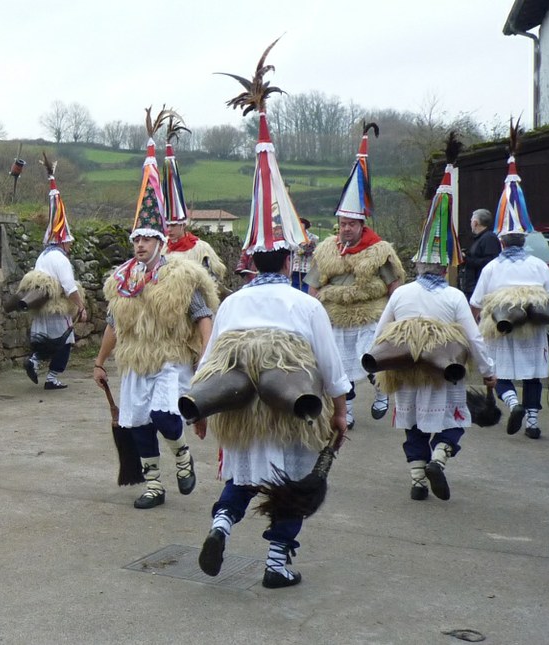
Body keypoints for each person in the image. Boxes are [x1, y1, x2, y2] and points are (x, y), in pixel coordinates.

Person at [194, 61, 349, 588]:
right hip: (291, 413)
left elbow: (210, 360)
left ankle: (221, 522)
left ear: (249, 261)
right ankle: (277, 564)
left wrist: (200, 412)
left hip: (240, 411)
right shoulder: (305, 305)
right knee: (290, 482)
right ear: (287, 259)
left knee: (242, 474)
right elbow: (330, 367)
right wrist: (340, 412)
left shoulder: (234, 303)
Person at [92, 124, 219, 510]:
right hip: (135, 360)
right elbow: (115, 324)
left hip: (169, 359)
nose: (140, 244)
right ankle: (153, 484)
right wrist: (99, 362)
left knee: (165, 416)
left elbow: (202, 316)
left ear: (161, 241)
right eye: (136, 239)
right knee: (137, 424)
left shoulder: (181, 276)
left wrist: (208, 357)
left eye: (147, 239)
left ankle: (182, 456)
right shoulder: (122, 280)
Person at [371, 151, 496, 500]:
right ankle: (439, 459)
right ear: (444, 267)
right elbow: (473, 337)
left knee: (411, 425)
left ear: (419, 263)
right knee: (454, 421)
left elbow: (382, 333)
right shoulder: (455, 297)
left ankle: (416, 480)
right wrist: (488, 371)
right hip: (444, 374)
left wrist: (374, 366)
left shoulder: (402, 294)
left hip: (407, 370)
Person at [470, 136, 549, 439]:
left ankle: (511, 401)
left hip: (500, 330)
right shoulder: (539, 265)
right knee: (533, 375)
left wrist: (475, 326)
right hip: (534, 330)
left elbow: (477, 303)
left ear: (501, 240)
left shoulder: (492, 267)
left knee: (498, 371)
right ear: (524, 239)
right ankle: (532, 422)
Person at [306, 124, 404, 429]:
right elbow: (313, 286)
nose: (346, 228)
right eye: (342, 223)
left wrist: (395, 319)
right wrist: (314, 315)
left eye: (351, 223)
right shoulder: (325, 250)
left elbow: (395, 285)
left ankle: (380, 392)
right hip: (336, 317)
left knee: (370, 359)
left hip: (370, 315)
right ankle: (345, 411)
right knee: (339, 368)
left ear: (362, 224)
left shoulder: (380, 250)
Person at [21, 155, 87, 390]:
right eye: (69, 241)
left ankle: (34, 359)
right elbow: (69, 287)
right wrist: (81, 306)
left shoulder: (43, 256)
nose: (70, 245)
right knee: (64, 341)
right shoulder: (60, 258)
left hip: (41, 306)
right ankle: (52, 378)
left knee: (43, 341)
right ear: (65, 241)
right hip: (57, 309)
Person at [161, 124, 228, 286]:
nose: (169, 230)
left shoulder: (200, 248)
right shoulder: (162, 249)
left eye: (173, 225)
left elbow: (213, 277)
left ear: (183, 225)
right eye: (167, 225)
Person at [459, 208, 501, 300]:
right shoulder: (480, 238)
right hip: (473, 287)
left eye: (471, 221)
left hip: (481, 288)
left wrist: (467, 259)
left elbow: (490, 262)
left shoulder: (489, 238)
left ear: (475, 223)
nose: (470, 224)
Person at [290, 217, 318, 292]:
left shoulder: (313, 237)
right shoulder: (294, 237)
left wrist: (305, 250)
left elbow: (313, 250)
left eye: (301, 225)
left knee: (306, 284)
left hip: (307, 265)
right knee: (295, 283)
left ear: (305, 225)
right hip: (296, 265)